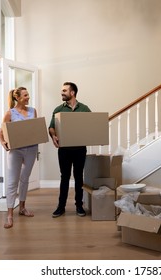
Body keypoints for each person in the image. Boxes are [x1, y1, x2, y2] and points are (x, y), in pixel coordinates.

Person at [0, 87, 39, 229]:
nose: (28, 97)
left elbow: (35, 129)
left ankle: (22, 207)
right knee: (12, 181)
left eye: (28, 94)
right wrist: (4, 143)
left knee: (25, 179)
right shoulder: (10, 113)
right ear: (17, 97)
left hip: (32, 148)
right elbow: (1, 133)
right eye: (25, 95)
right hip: (16, 150)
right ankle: (9, 214)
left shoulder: (33, 111)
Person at [49, 82, 91, 218]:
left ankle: (79, 205)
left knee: (79, 177)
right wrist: (53, 135)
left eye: (64, 90)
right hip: (64, 150)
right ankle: (61, 207)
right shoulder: (58, 109)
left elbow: (91, 126)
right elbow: (51, 127)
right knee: (65, 177)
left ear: (72, 93)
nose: (62, 93)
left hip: (80, 149)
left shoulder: (84, 109)